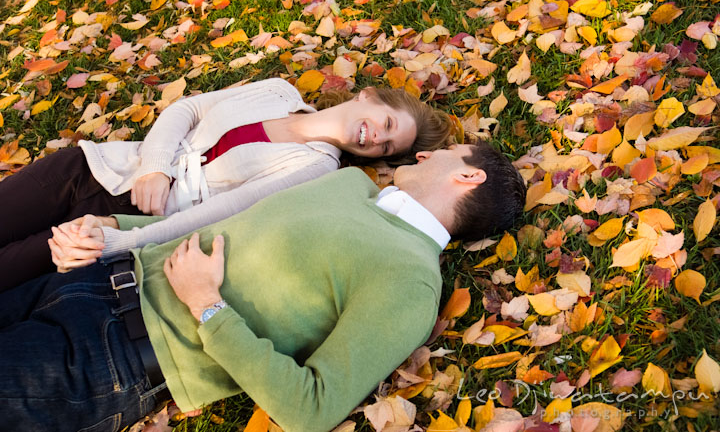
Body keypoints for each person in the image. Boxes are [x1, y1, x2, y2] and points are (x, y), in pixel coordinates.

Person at [0, 142, 526, 432]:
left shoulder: (410, 280)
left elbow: (311, 409)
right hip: (86, 279)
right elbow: (214, 222)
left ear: (470, 177)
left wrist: (209, 307)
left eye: (446, 153)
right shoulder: (349, 183)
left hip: (115, 358)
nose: (425, 155)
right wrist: (113, 230)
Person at [0, 78, 452, 291]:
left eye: (388, 147)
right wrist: (154, 167)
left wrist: (121, 240)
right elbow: (187, 110)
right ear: (367, 96)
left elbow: (218, 213)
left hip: (127, 220)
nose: (378, 139)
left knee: (13, 268)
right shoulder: (279, 91)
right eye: (386, 123)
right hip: (95, 167)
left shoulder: (317, 168)